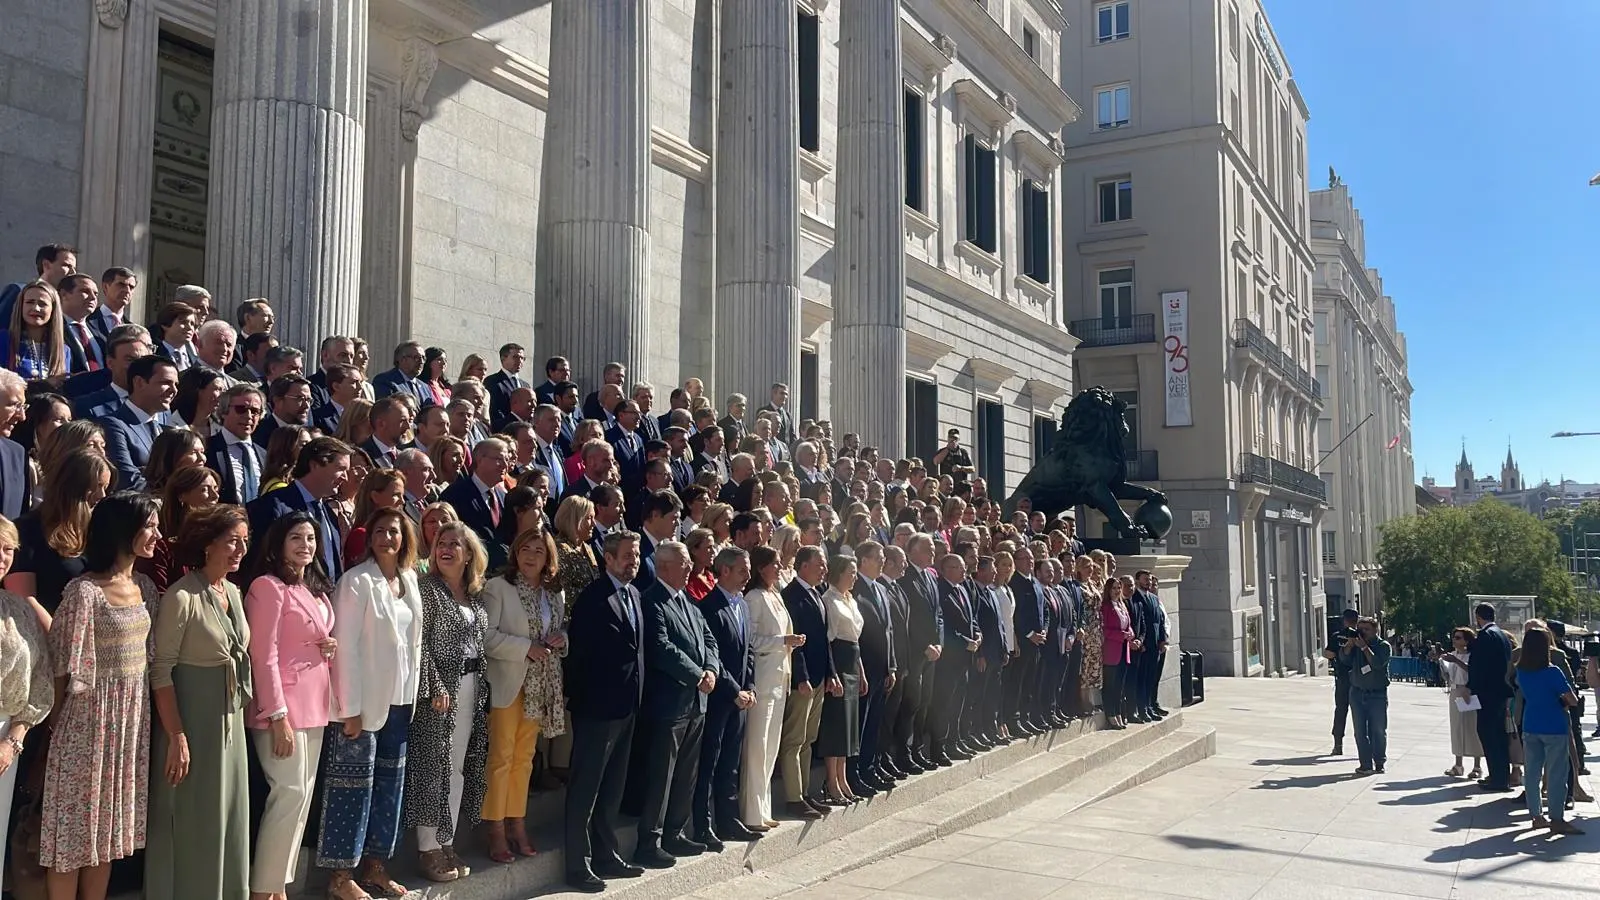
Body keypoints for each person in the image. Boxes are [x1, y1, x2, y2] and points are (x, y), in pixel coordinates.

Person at [40, 493, 159, 900]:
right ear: (123, 530)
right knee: (71, 838)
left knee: (106, 833)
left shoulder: (145, 586)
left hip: (128, 726)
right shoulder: (83, 592)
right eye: (149, 526)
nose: (156, 534)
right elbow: (60, 666)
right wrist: (57, 729)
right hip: (84, 726)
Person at [146, 504, 253, 900]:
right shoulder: (182, 596)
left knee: (228, 821)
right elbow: (161, 673)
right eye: (231, 542)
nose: (240, 550)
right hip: (191, 726)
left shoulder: (234, 593)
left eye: (245, 542)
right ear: (208, 544)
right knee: (192, 824)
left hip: (230, 728)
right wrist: (177, 736)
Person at [318, 508, 424, 900]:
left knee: (389, 787)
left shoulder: (410, 580)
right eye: (379, 531)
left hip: (399, 700)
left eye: (393, 531)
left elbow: (414, 643)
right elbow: (344, 648)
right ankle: (340, 877)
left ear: (404, 538)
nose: (386, 538)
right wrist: (350, 706)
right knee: (351, 788)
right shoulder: (355, 581)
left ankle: (376, 867)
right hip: (362, 706)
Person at [244, 512, 337, 900]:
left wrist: (329, 648)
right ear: (278, 543)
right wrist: (276, 714)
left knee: (301, 798)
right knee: (289, 793)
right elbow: (262, 654)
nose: (306, 545)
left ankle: (278, 886)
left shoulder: (311, 588)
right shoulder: (267, 587)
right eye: (296, 537)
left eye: (311, 538)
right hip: (281, 707)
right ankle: (263, 891)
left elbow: (312, 638)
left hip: (315, 703)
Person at [406, 523, 491, 883]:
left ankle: (446, 840)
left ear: (469, 554)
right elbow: (419, 643)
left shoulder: (473, 595)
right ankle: (428, 848)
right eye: (441, 542)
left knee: (456, 768)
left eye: (455, 543)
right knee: (432, 767)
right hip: (438, 693)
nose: (446, 548)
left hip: (471, 687)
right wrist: (435, 684)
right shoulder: (426, 590)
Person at [563, 531, 647, 893]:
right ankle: (577, 864)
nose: (634, 561)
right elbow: (579, 657)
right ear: (608, 559)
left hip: (628, 707)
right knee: (586, 789)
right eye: (627, 555)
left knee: (613, 787)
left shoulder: (635, 595)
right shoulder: (593, 599)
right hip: (597, 710)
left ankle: (606, 853)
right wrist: (585, 702)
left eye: (637, 555)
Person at [481, 527, 566, 862]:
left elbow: (560, 632)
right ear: (516, 552)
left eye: (539, 551)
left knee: (524, 759)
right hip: (509, 683)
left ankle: (518, 823)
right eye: (526, 549)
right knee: (501, 758)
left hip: (540, 685)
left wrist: (561, 640)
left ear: (548, 559)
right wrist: (525, 648)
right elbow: (486, 636)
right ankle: (496, 829)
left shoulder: (552, 594)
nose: (531, 556)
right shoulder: (498, 588)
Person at [634, 540, 720, 867]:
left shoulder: (688, 602)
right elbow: (661, 648)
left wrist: (710, 669)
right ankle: (649, 841)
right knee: (662, 775)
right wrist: (698, 674)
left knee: (687, 772)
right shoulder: (652, 601)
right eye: (684, 563)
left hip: (696, 703)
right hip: (669, 704)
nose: (690, 567)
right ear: (664, 566)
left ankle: (675, 832)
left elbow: (709, 640)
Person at [0, 514, 53, 898]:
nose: (3, 556)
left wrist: (13, 740)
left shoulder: (17, 609)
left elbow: (40, 677)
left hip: (6, 740)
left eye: (8, 549)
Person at [7, 448, 109, 613]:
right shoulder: (26, 530)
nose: (102, 495)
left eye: (105, 487)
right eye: (97, 486)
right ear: (74, 485)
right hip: (42, 632)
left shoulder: (97, 530)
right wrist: (56, 635)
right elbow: (23, 599)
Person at [778, 545, 835, 817]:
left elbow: (824, 639)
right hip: (803, 681)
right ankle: (793, 797)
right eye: (819, 564)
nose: (824, 568)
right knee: (794, 739)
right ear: (802, 566)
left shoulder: (817, 595)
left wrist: (831, 673)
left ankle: (806, 792)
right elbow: (795, 640)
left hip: (819, 678)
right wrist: (801, 677)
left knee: (808, 738)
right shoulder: (791, 595)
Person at [1515, 626, 1584, 834]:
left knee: (1532, 773)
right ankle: (1556, 818)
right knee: (1556, 774)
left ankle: (1536, 816)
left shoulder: (1521, 669)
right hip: (1554, 724)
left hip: (1531, 723)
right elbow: (1571, 699)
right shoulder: (1553, 671)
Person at [818, 553, 866, 804]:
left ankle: (843, 777)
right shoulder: (828, 599)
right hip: (837, 660)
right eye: (851, 571)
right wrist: (832, 673)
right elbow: (830, 638)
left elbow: (855, 637)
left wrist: (862, 672)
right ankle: (831, 781)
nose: (855, 576)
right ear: (838, 573)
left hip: (853, 661)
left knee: (848, 725)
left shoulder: (851, 600)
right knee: (836, 724)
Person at [138, 465, 220, 593]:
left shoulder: (219, 538)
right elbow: (158, 594)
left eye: (216, 489)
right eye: (204, 489)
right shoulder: (161, 546)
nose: (215, 496)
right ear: (181, 495)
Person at [1469, 602, 1516, 792]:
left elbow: (1479, 666)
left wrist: (1471, 687)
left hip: (1488, 692)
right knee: (1497, 735)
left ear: (1478, 617)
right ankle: (1499, 775)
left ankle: (1498, 778)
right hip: (1499, 691)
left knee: (1488, 733)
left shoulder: (1486, 635)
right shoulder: (1501, 634)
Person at [1339, 615, 1392, 776]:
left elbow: (1376, 664)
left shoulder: (1383, 646)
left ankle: (1379, 762)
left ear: (1375, 630)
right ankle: (1365, 764)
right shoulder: (1355, 644)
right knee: (1360, 731)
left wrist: (1364, 648)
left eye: (1366, 630)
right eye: (1360, 629)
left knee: (1377, 729)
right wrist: (1349, 646)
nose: (1363, 633)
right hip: (1357, 692)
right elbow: (1344, 659)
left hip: (1377, 694)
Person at [1436, 627, 1484, 780]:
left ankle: (1477, 765)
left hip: (1469, 691)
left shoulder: (1473, 656)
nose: (1454, 640)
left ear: (1466, 640)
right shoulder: (1452, 655)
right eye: (1454, 637)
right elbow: (1448, 675)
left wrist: (1456, 661)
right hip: (1455, 690)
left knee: (1473, 727)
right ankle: (1458, 764)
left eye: (1458, 637)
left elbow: (1474, 671)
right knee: (1457, 726)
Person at [1099, 577, 1137, 730]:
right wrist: (1121, 635)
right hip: (1111, 650)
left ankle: (1119, 712)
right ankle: (1111, 713)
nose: (1116, 591)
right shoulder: (1106, 606)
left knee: (1119, 685)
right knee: (1110, 684)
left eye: (1118, 588)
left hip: (1123, 650)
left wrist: (1130, 633)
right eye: (1114, 588)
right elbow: (1105, 630)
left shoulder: (1122, 605)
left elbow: (1128, 624)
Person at [1322, 608, 1360, 756]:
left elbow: (1327, 653)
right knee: (1361, 713)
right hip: (1358, 678)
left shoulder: (1338, 636)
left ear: (1344, 620)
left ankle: (1338, 744)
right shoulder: (1361, 636)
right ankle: (1365, 746)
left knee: (1341, 711)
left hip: (1343, 678)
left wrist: (1338, 653)